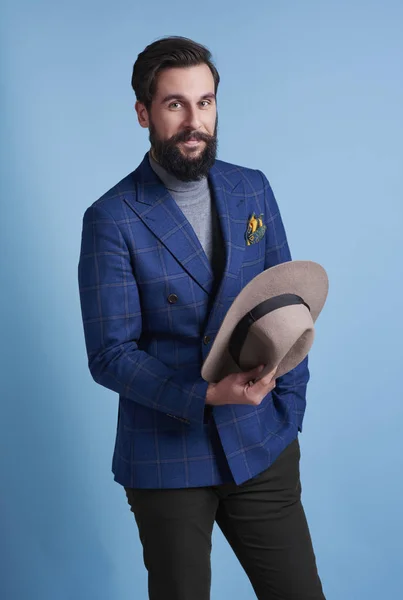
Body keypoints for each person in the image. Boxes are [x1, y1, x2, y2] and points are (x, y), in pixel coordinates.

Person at [78, 35, 326, 600]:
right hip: (167, 453)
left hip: (261, 442)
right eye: (175, 104)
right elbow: (109, 355)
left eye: (206, 102)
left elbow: (288, 304)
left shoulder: (251, 189)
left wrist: (290, 412)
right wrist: (206, 395)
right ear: (143, 112)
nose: (196, 120)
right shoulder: (112, 218)